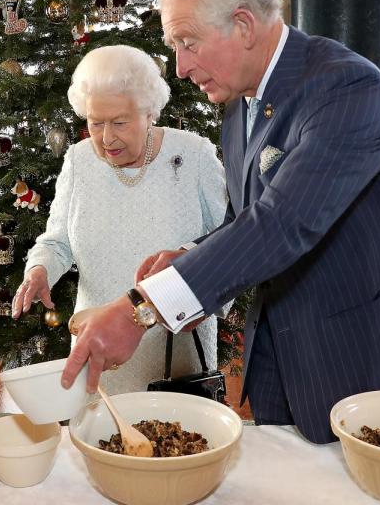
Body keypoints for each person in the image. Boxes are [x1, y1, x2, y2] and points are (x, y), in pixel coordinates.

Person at [61, 0, 380, 444]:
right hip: (284, 358)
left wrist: (141, 309)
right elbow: (245, 218)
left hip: (368, 353)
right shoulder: (239, 104)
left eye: (188, 43)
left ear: (244, 25)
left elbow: (281, 223)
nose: (180, 67)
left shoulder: (348, 88)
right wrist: (192, 254)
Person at [11, 45, 227, 395]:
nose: (106, 138)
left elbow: (229, 242)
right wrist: (40, 270)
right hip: (98, 347)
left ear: (149, 112)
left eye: (120, 123)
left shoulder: (194, 155)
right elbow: (57, 241)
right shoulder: (79, 160)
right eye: (95, 123)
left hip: (174, 353)